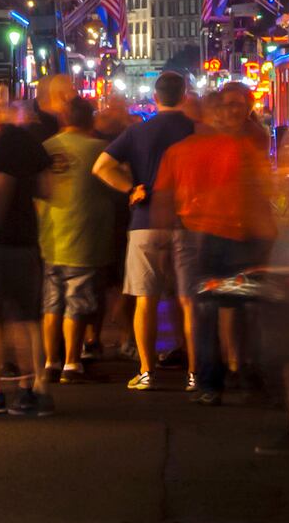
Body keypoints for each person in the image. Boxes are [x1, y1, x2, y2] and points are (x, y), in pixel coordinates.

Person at [153, 81, 275, 406]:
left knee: (205, 310)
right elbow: (260, 191)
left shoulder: (179, 151)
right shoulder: (240, 148)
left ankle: (210, 382)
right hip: (238, 236)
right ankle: (248, 374)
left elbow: (164, 199)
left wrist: (165, 239)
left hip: (199, 236)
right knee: (245, 307)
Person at [95, 69, 199, 388]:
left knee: (145, 298)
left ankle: (146, 370)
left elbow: (100, 167)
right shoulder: (197, 130)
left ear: (155, 99)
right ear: (184, 96)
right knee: (188, 299)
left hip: (146, 219)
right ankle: (195, 372)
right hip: (186, 220)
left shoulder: (139, 132)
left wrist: (130, 189)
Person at [0, 102, 53, 416]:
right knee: (28, 318)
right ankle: (32, 389)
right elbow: (48, 190)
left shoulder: (7, 142)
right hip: (27, 242)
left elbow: (3, 186)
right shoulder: (35, 145)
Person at [40, 97, 116, 384]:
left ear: (63, 119)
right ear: (90, 120)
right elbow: (117, 185)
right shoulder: (100, 149)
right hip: (86, 236)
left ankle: (51, 362)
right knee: (77, 302)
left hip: (50, 234)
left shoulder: (46, 148)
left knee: (52, 302)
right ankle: (72, 363)